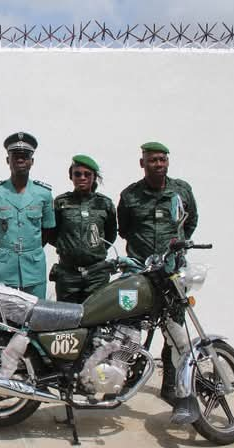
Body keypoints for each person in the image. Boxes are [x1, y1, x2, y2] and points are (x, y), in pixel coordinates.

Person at [117, 141, 198, 423]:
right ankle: (126, 377)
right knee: (130, 326)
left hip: (172, 273)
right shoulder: (129, 195)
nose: (158, 164)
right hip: (139, 272)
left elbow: (190, 222)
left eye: (162, 159)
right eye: (152, 160)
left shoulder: (182, 191)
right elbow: (124, 230)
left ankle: (174, 387)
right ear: (143, 164)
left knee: (174, 329)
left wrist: (174, 248)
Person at [0, 132, 55, 299]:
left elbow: (48, 230)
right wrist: (1, 254)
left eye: (25, 156)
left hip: (33, 268)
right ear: (8, 160)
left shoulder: (43, 194)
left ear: (32, 161)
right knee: (0, 319)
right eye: (15, 156)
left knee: (34, 318)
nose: (20, 160)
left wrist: (30, 251)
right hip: (2, 267)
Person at [50, 155, 117, 303]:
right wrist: (69, 247)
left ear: (94, 177)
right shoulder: (61, 203)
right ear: (71, 176)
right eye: (77, 174)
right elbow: (52, 233)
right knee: (65, 318)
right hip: (68, 274)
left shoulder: (104, 204)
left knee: (96, 318)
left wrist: (91, 249)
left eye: (87, 174)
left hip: (96, 275)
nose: (82, 178)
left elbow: (110, 234)